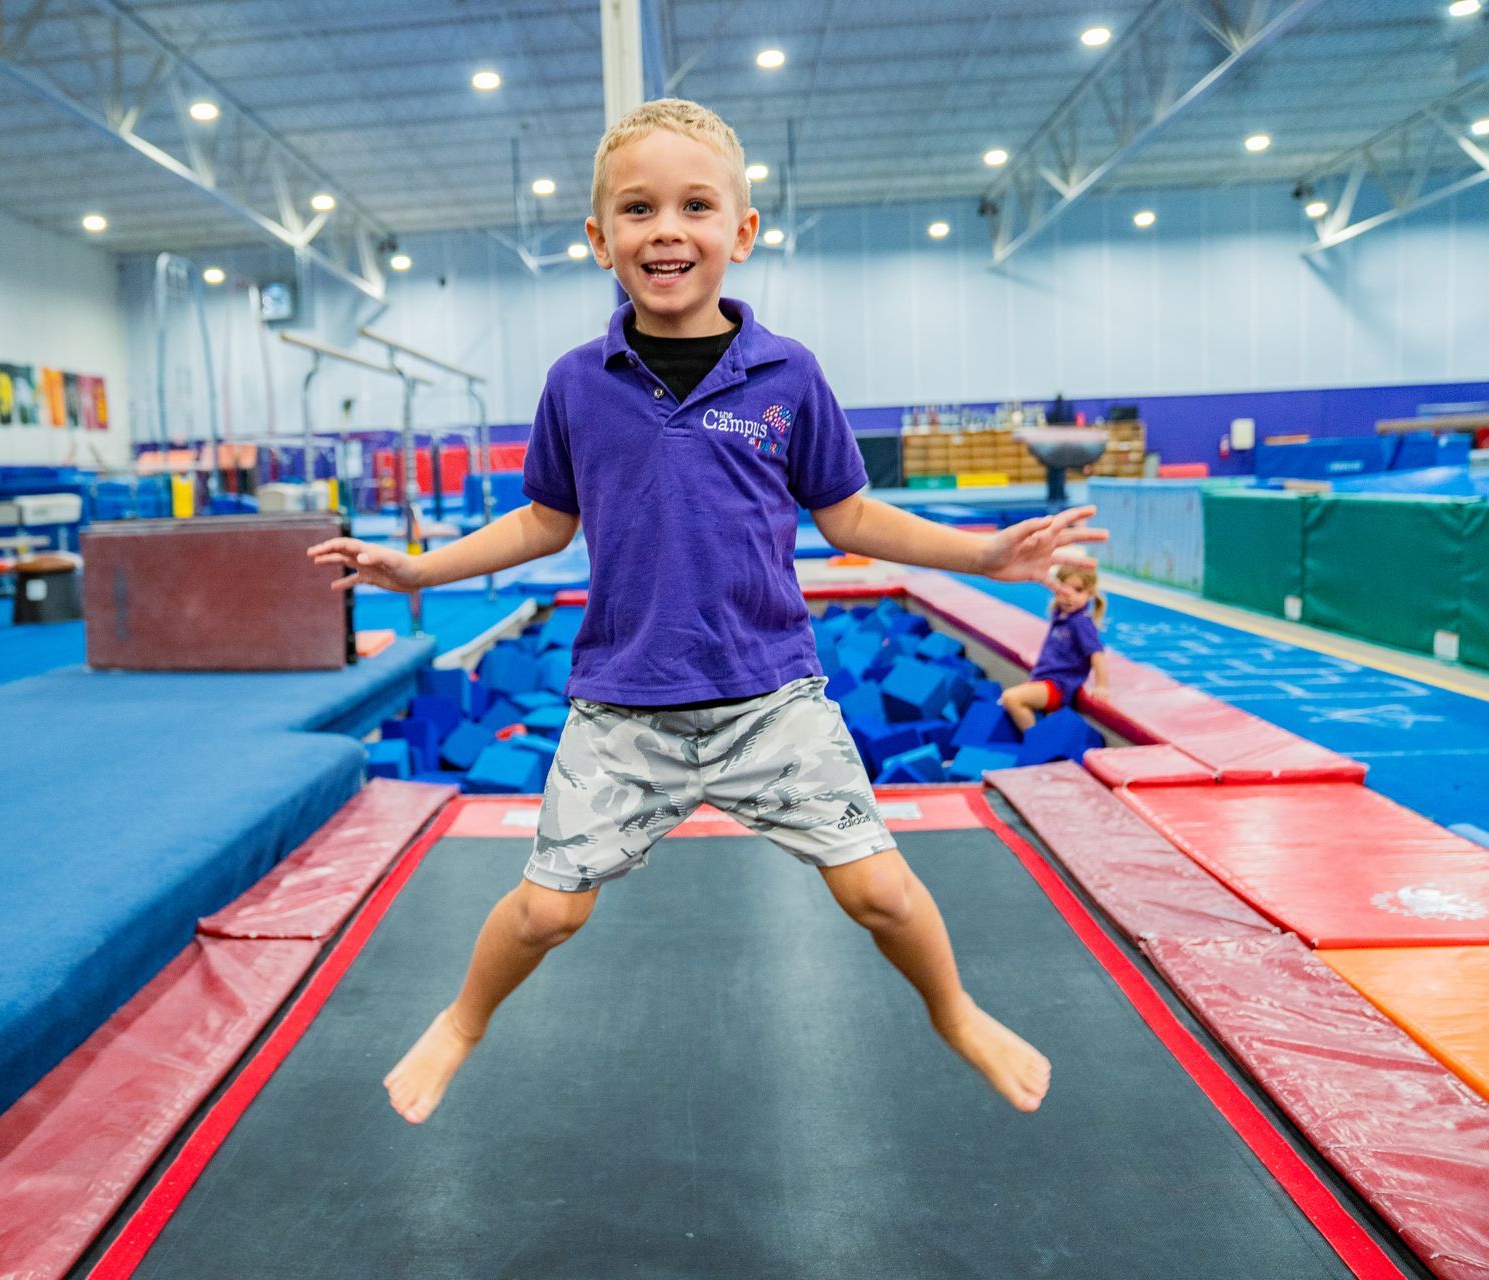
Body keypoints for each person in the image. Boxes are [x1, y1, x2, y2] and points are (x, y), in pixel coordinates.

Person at [307, 99, 1104, 1127]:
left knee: (881, 893)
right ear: (600, 239)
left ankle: (954, 1009)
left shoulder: (788, 374)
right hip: (624, 702)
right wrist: (415, 568)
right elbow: (543, 522)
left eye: (695, 205)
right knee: (548, 908)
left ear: (743, 230)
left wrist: (987, 552)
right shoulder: (575, 385)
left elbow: (852, 515)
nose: (666, 229)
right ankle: (462, 1018)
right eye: (637, 209)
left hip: (771, 692)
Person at [999, 561, 1110, 732]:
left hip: (1058, 686)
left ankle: (1035, 742)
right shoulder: (1060, 615)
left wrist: (1101, 685)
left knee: (1010, 698)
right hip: (1044, 680)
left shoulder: (1081, 622)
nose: (1069, 595)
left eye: (1078, 590)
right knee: (1006, 702)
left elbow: (1097, 653)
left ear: (1090, 595)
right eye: (1064, 589)